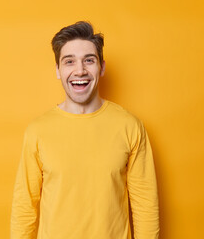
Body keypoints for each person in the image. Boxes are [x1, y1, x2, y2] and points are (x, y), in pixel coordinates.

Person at [10, 21, 159, 239]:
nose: (80, 70)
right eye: (69, 61)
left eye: (89, 60)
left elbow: (145, 204)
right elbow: (25, 205)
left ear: (102, 67)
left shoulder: (130, 127)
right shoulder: (37, 131)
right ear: (58, 71)